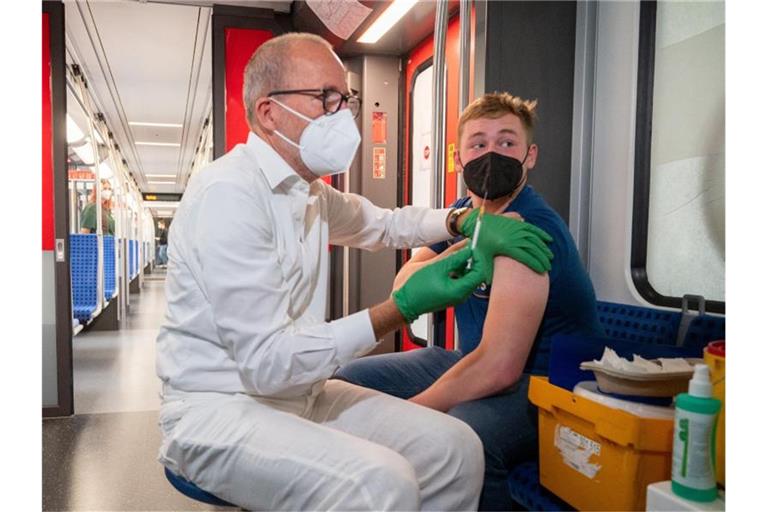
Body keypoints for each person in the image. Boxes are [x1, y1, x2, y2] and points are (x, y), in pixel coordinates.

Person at [155, 34, 553, 511]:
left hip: (299, 394)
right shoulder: (229, 196)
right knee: (379, 484)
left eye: (346, 99)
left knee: (456, 450)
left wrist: (459, 220)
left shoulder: (310, 195)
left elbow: (384, 224)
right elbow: (267, 364)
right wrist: (399, 310)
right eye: (326, 98)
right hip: (219, 410)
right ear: (268, 113)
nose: (343, 115)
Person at [335, 92, 605, 511]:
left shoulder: (528, 230)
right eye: (478, 144)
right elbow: (403, 283)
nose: (492, 154)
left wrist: (406, 416)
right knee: (351, 379)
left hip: (546, 386)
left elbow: (500, 368)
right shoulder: (465, 213)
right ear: (458, 160)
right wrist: (464, 247)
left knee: (465, 434)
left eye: (507, 143)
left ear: (529, 156)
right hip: (472, 358)